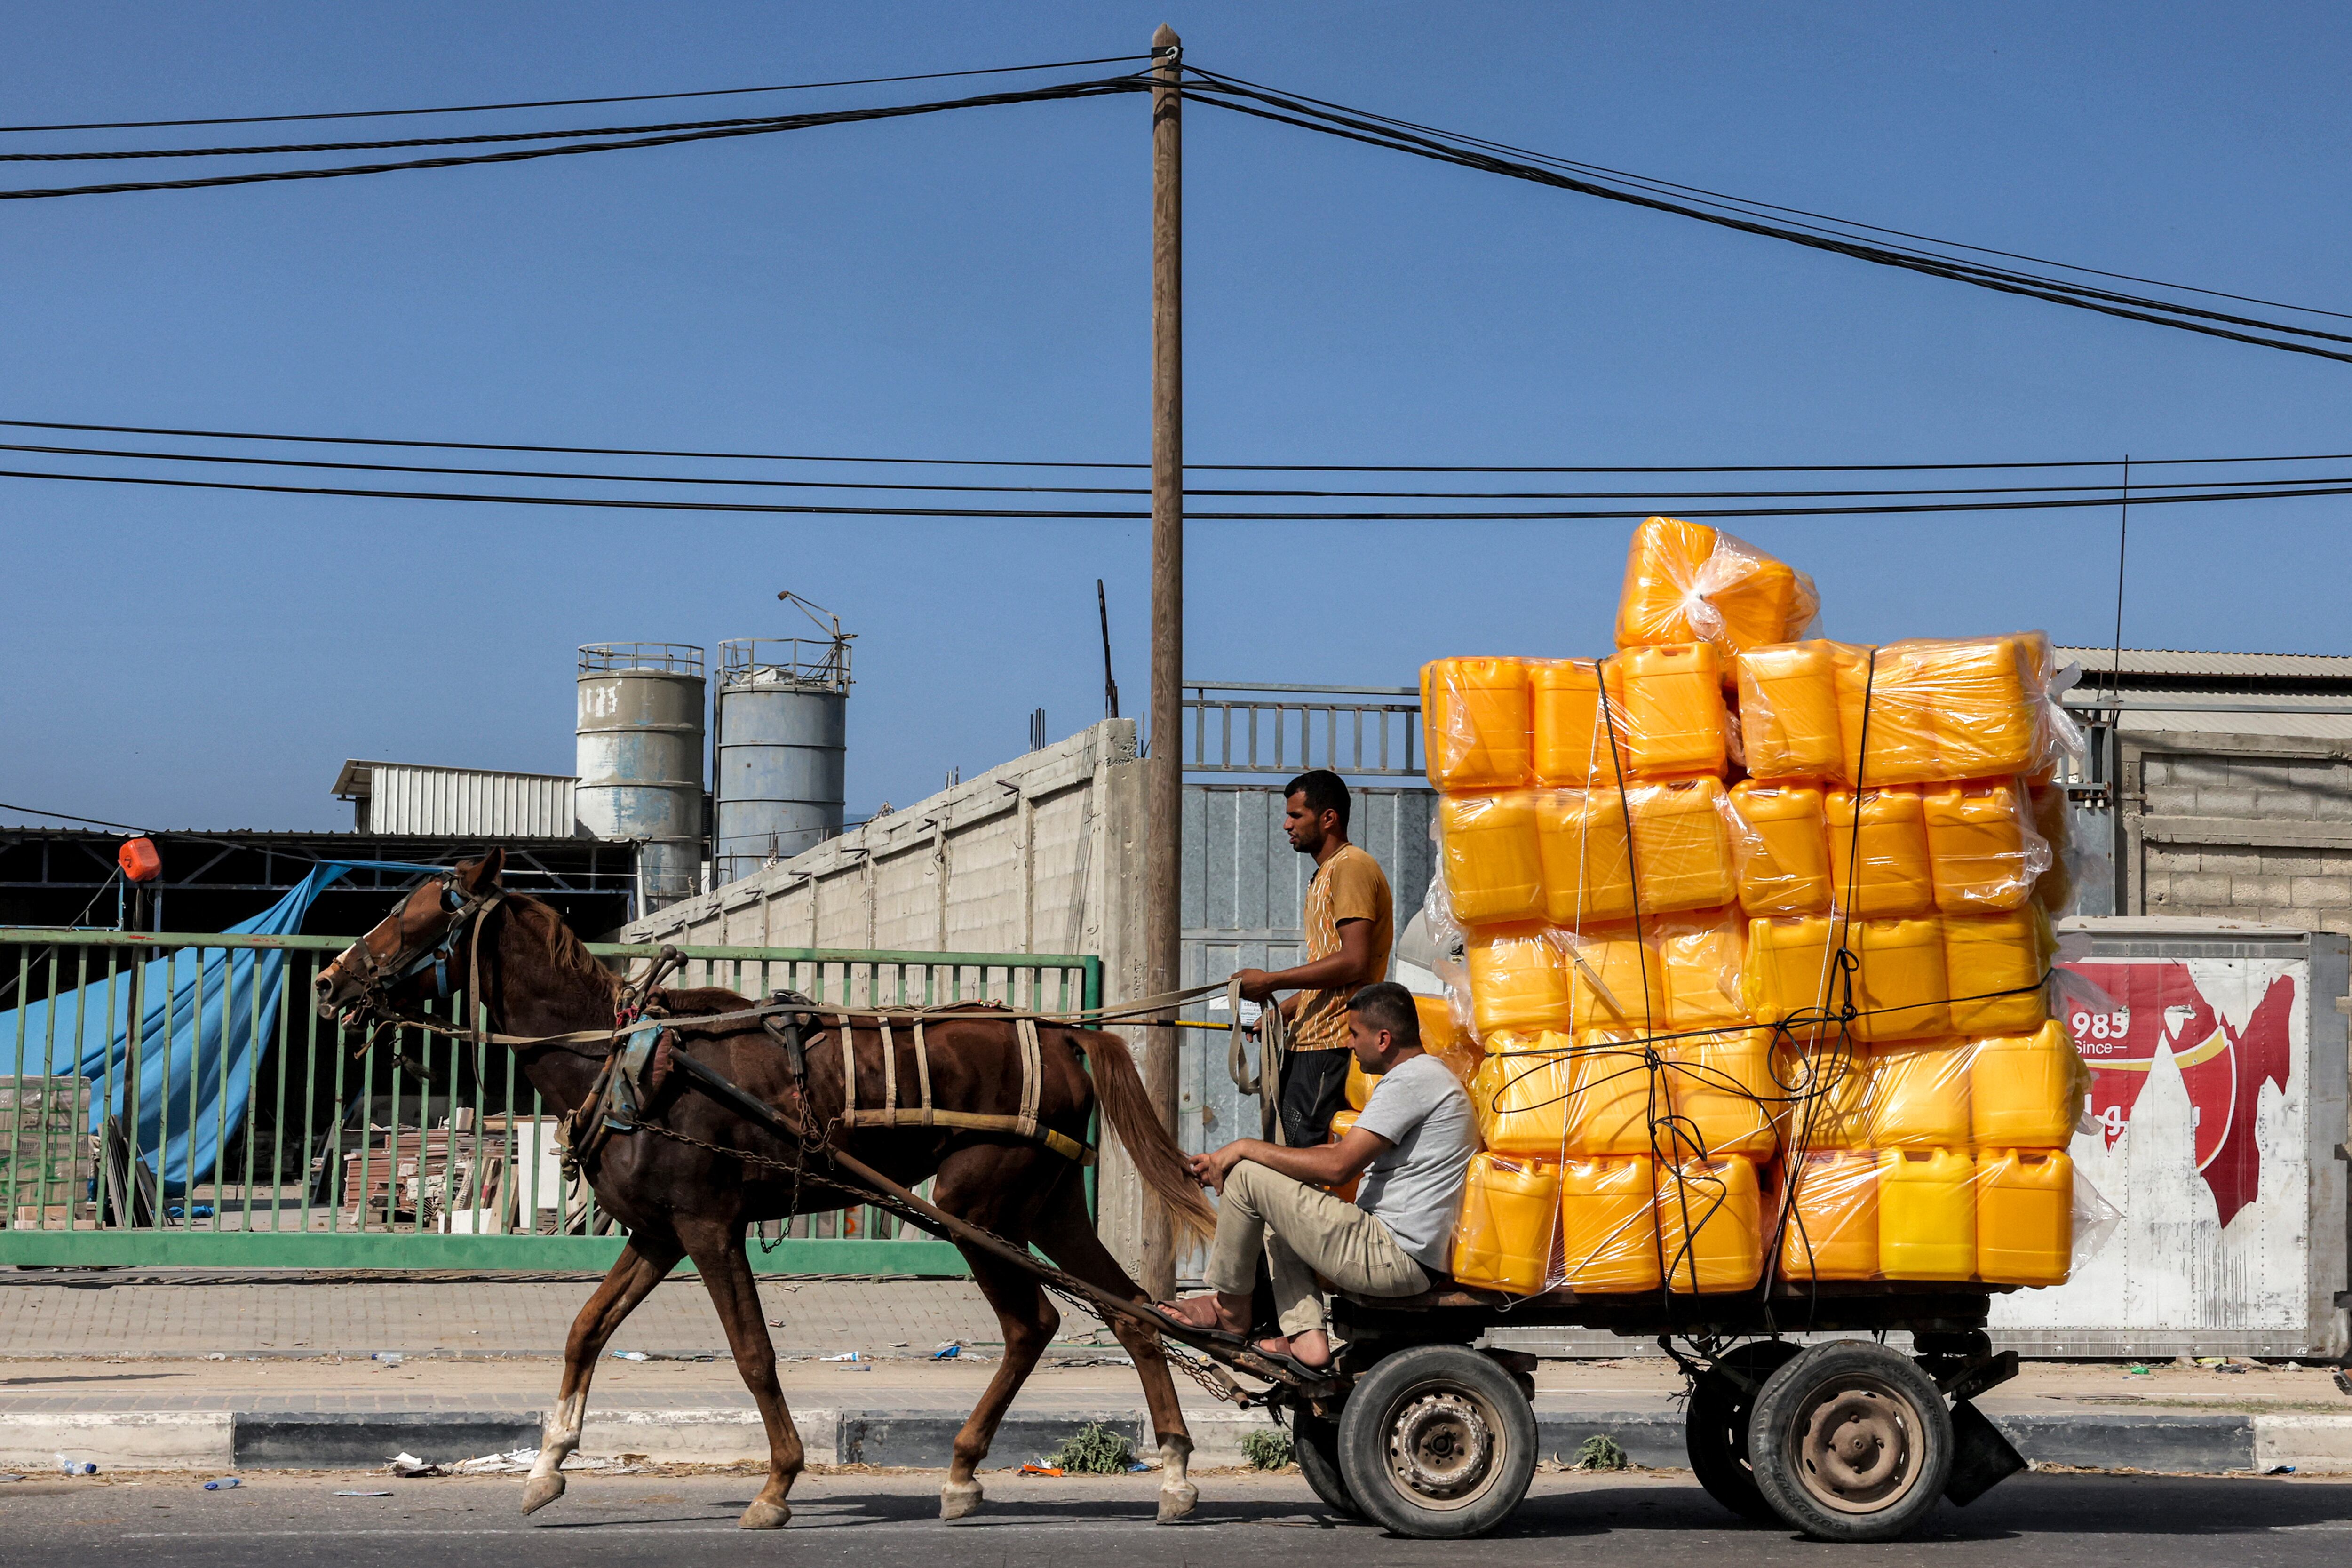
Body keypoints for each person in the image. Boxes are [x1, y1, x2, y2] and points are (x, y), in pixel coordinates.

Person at [1163, 982, 1475, 1370]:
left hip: (1392, 1255)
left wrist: (1242, 1150)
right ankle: (1306, 1337)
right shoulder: (1423, 1078)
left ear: (1383, 1039)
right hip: (1398, 1254)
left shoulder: (1412, 1081)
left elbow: (1339, 1166)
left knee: (1246, 1177)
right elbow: (1335, 1154)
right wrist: (1229, 1157)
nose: (1348, 1044)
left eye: (1354, 1033)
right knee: (1272, 1191)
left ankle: (1229, 1310)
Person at [1232, 769, 1393, 1148]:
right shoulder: (1325, 873)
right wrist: (1285, 1010)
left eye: (1296, 815)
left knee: (1299, 1162)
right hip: (1308, 1042)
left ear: (1328, 818)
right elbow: (1331, 969)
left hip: (1330, 1045)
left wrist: (1271, 982)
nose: (1287, 825)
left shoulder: (1351, 866)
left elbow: (1354, 961)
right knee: (1285, 1151)